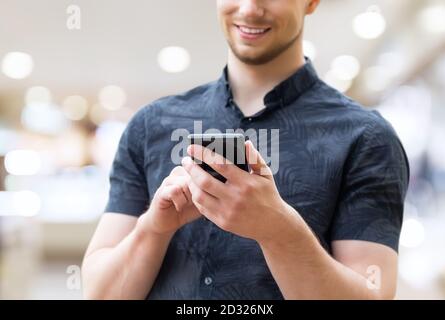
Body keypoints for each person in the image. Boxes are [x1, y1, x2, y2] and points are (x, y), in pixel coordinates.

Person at [82, 0, 409, 299]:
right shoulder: (151, 125)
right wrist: (153, 228)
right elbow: (100, 294)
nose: (251, 9)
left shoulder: (365, 137)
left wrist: (279, 231)